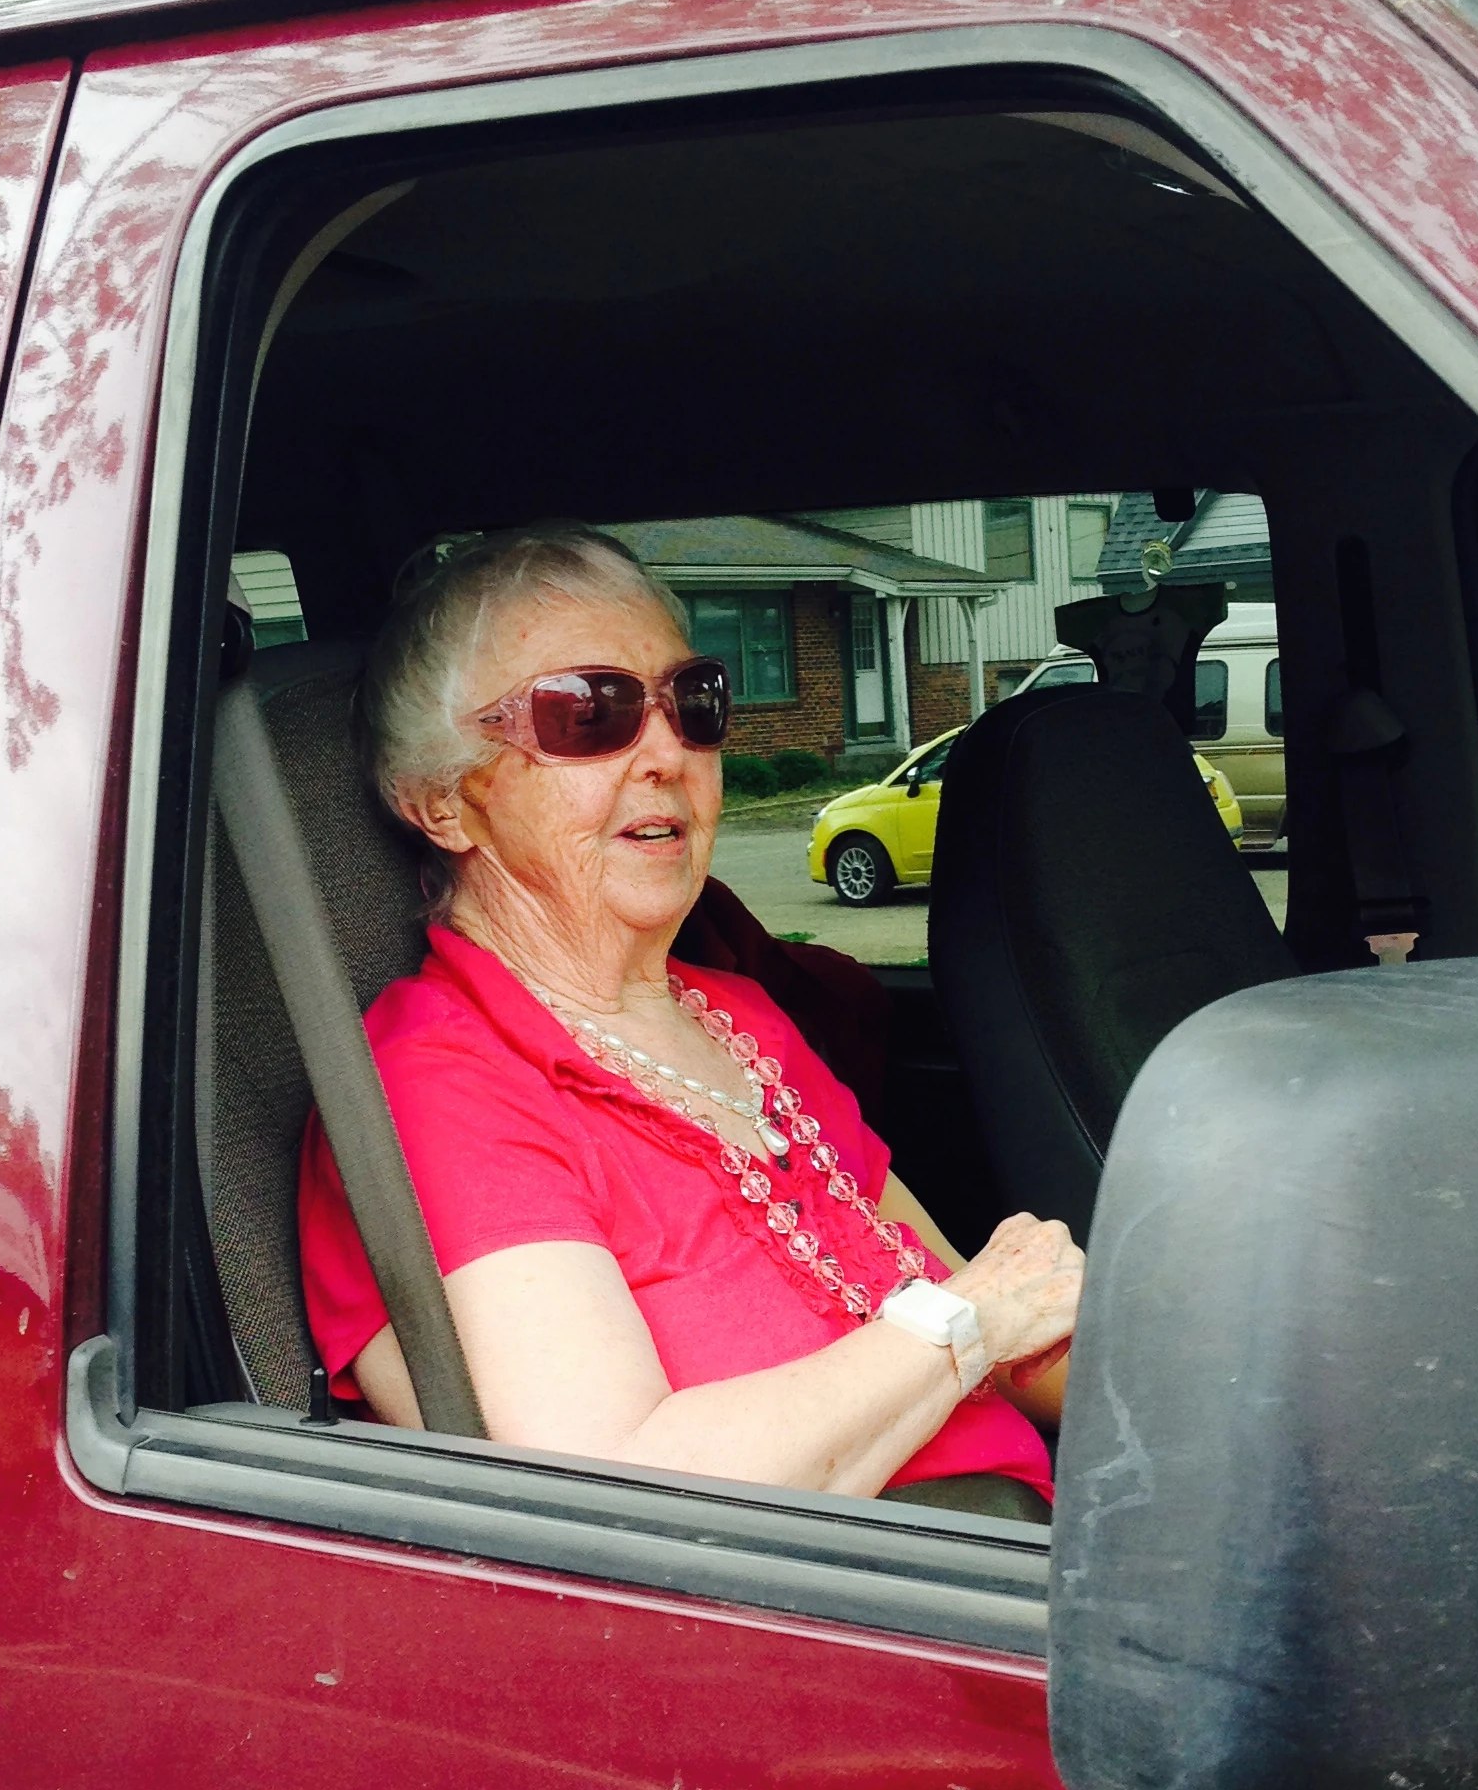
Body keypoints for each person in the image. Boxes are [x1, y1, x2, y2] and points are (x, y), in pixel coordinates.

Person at [298, 525, 1080, 1517]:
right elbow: (621, 1495)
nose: (667, 749)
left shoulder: (737, 1019)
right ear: (446, 803)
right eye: (590, 713)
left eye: (692, 704)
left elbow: (993, 1328)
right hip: (851, 1618)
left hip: (1011, 1544)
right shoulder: (441, 1087)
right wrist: (971, 1318)